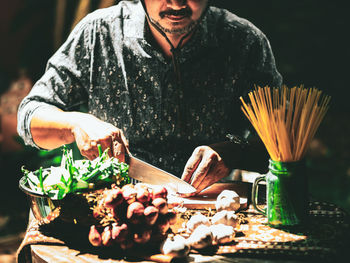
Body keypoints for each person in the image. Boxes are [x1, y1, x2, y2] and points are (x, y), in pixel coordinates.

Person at [17, 0, 282, 194]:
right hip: (116, 206)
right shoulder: (98, 33)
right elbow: (30, 116)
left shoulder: (244, 42)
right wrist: (77, 124)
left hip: (214, 208)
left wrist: (235, 149)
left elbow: (283, 142)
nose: (177, 3)